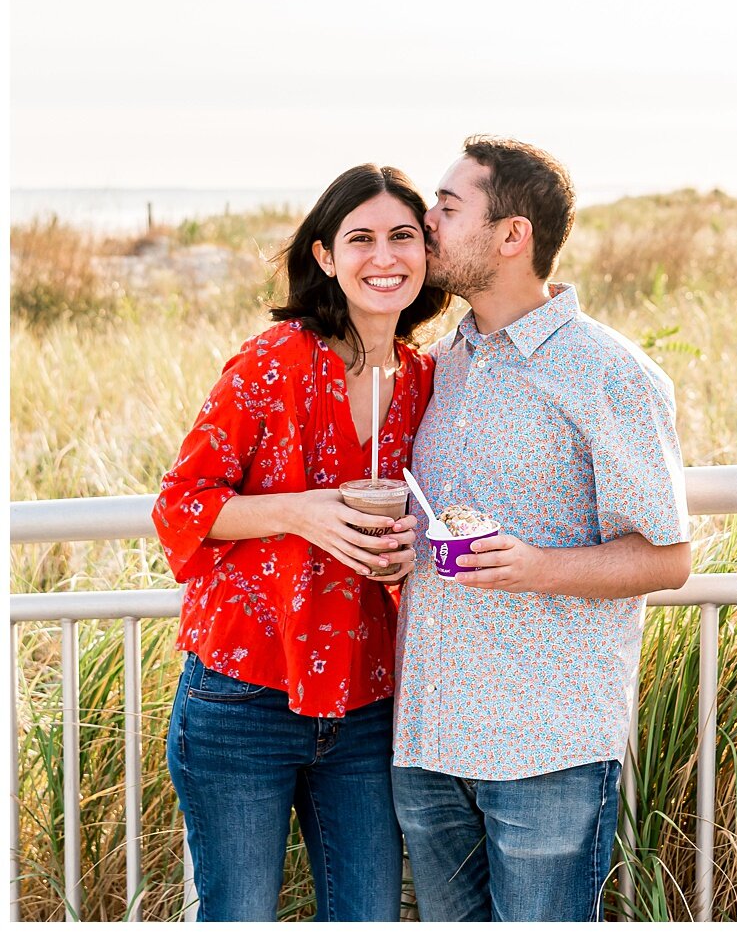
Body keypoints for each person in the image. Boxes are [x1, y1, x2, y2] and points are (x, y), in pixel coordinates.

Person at [390, 136, 693, 922]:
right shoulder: (442, 362)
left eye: (449, 207)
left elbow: (668, 558)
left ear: (511, 235)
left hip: (546, 749)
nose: (426, 220)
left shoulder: (609, 372)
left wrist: (534, 565)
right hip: (427, 740)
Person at [153, 164, 449, 920]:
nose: (384, 256)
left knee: (368, 915)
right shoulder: (272, 361)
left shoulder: (422, 381)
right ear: (325, 256)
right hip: (242, 693)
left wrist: (408, 550)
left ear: (427, 252)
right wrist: (300, 511)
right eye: (361, 238)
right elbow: (183, 503)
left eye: (403, 236)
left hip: (364, 704)